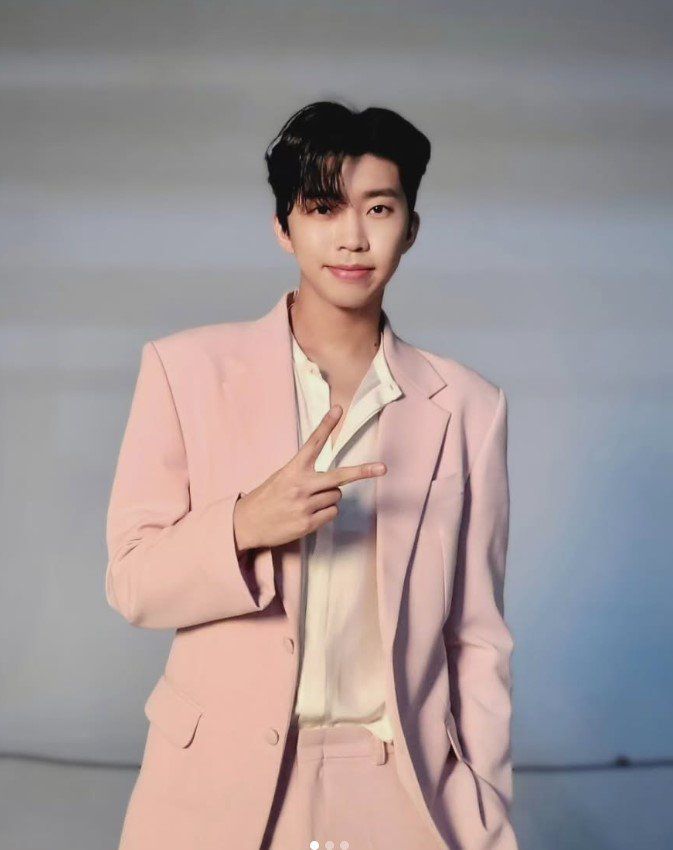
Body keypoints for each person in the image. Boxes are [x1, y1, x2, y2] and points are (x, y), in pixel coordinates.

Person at [106, 100, 518, 850]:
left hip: (402, 783)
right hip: (218, 784)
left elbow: (476, 634)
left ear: (411, 228)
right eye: (324, 208)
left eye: (379, 208)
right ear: (282, 226)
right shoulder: (183, 370)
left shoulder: (469, 408)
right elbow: (132, 583)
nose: (353, 236)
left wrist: (483, 801)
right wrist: (242, 525)